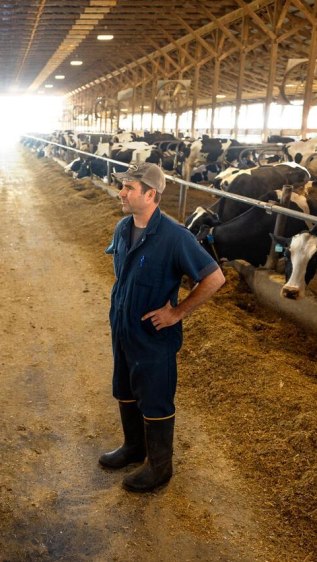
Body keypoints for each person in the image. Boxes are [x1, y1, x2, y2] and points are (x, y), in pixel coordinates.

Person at [101, 162, 226, 493]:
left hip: (154, 337)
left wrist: (177, 312)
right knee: (125, 388)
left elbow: (215, 278)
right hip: (123, 327)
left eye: (128, 188)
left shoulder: (175, 237)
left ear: (150, 194)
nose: (121, 193)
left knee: (155, 397)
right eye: (122, 186)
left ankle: (160, 467)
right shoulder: (123, 228)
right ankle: (133, 448)